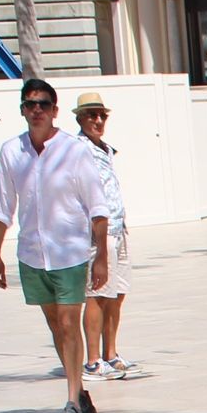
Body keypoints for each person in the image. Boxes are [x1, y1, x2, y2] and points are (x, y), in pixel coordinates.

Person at [0, 76, 113, 413]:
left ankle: (72, 403)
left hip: (70, 252)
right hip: (32, 254)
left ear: (55, 110)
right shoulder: (12, 151)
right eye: (30, 104)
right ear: (23, 111)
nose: (37, 110)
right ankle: (81, 392)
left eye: (44, 103)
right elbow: (2, 207)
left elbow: (97, 207)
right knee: (56, 329)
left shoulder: (74, 151)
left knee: (67, 324)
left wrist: (101, 256)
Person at [73, 94, 135, 380]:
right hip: (99, 232)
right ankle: (93, 360)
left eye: (102, 116)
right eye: (91, 115)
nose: (98, 121)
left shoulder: (105, 149)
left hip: (118, 229)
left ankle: (111, 354)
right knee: (97, 294)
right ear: (79, 118)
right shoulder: (78, 149)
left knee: (117, 294)